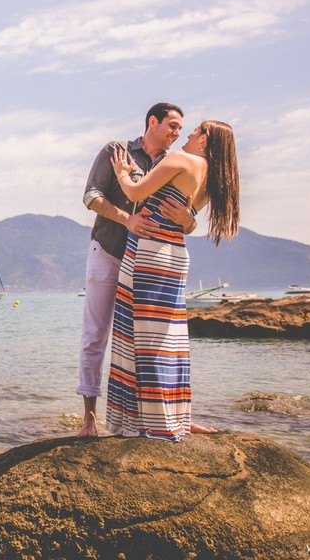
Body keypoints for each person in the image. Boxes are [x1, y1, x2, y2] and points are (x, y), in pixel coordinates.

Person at [105, 120, 240, 441]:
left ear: (205, 140)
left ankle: (152, 423)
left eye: (194, 131)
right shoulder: (213, 177)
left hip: (149, 251)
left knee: (142, 338)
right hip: (175, 255)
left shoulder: (181, 160)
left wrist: (122, 171)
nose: (187, 135)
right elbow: (186, 222)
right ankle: (175, 415)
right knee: (170, 341)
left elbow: (136, 192)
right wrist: (189, 221)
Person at [76, 103, 197, 438]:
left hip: (146, 265)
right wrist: (126, 219)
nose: (177, 133)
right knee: (95, 335)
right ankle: (89, 417)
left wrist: (189, 221)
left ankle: (160, 416)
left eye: (180, 128)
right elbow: (90, 197)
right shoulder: (116, 151)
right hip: (108, 251)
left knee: (150, 341)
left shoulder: (175, 164)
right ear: (152, 122)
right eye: (172, 125)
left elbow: (188, 215)